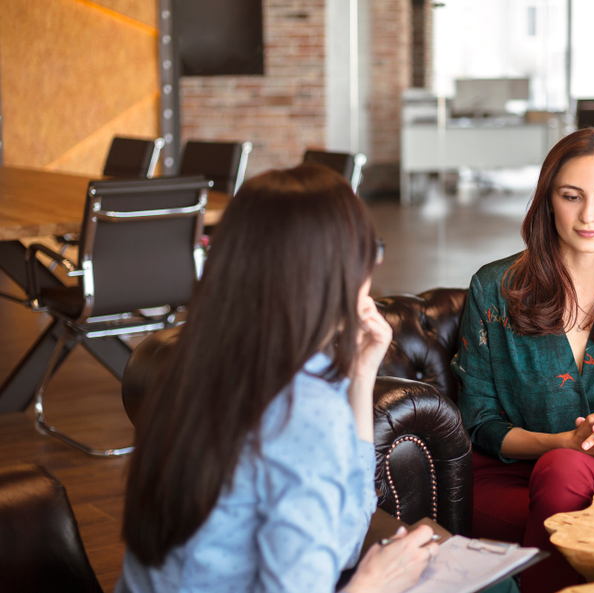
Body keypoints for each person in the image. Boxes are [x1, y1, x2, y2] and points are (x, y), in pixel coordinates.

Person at [116, 164, 439, 593]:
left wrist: (362, 378)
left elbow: (341, 536)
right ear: (334, 271)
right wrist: (377, 583)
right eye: (370, 252)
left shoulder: (198, 367)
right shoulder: (302, 410)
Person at [451, 128, 594, 593]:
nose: (588, 215)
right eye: (571, 196)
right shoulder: (494, 288)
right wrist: (561, 443)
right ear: (548, 202)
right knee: (562, 469)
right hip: (509, 478)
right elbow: (479, 421)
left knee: (567, 472)